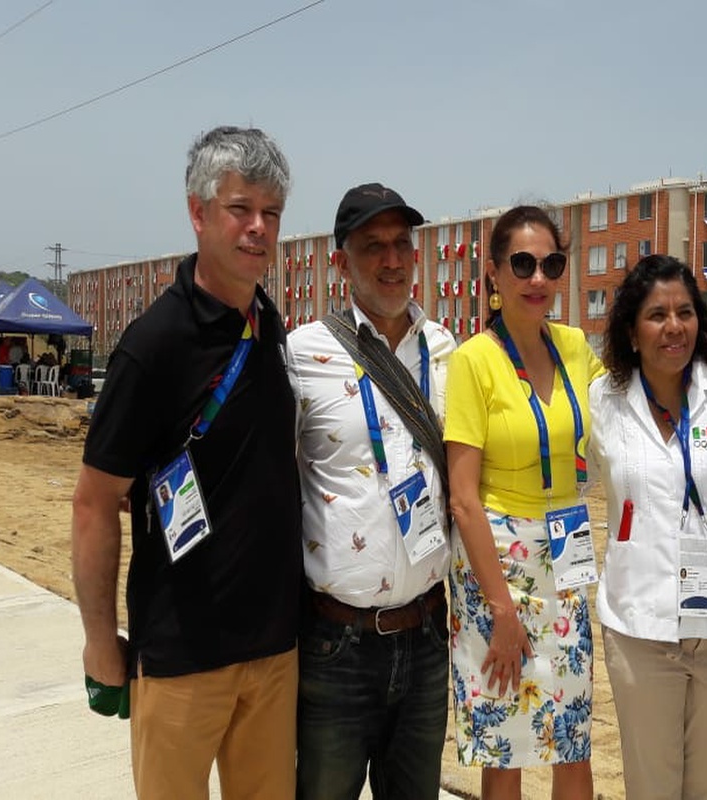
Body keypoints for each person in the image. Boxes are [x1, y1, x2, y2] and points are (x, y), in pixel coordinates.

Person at [71, 126, 303, 799]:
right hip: (180, 657)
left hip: (273, 651)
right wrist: (98, 641)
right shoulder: (153, 347)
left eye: (272, 214)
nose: (259, 228)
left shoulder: (269, 324)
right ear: (198, 214)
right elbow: (93, 502)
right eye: (241, 209)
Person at [588, 254, 707, 799]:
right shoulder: (601, 401)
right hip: (638, 630)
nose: (674, 327)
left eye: (685, 312)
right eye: (656, 315)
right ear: (630, 330)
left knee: (703, 788)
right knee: (651, 788)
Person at [289, 183, 455, 800]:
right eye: (373, 247)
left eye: (401, 245)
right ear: (340, 262)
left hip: (427, 638)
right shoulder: (302, 354)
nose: (392, 260)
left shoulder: (447, 351)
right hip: (336, 648)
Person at [445, 205, 601, 800]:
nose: (538, 278)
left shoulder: (576, 347)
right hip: (497, 563)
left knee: (573, 735)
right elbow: (463, 498)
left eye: (551, 264)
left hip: (567, 555)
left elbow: (642, 381)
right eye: (523, 264)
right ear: (493, 273)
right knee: (504, 740)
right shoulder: (473, 360)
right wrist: (501, 611)